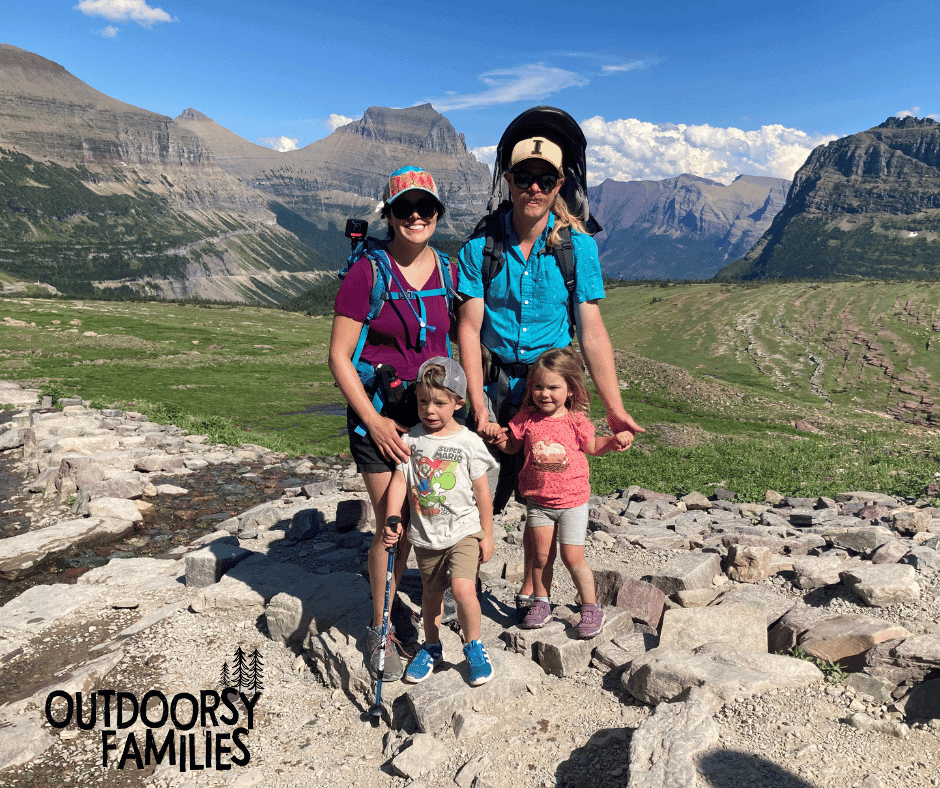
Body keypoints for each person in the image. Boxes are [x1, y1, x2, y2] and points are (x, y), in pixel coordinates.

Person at [457, 124, 644, 621]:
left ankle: (531, 589)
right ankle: (465, 585)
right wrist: (477, 402)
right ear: (509, 181)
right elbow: (469, 328)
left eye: (545, 178)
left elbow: (593, 330)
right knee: (482, 486)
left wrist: (614, 409)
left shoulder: (577, 248)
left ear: (560, 184)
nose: (534, 188)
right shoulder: (480, 249)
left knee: (544, 484)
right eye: (524, 177)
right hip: (496, 387)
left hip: (552, 388)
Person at [328, 166, 454, 682]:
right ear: (391, 215)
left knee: (426, 522)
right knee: (393, 527)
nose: (416, 216)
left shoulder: (449, 271)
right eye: (405, 209)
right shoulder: (368, 272)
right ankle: (380, 622)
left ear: (438, 213)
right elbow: (338, 356)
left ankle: (422, 609)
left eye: (426, 207)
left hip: (431, 420)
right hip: (378, 421)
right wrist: (375, 421)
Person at [485, 346, 632, 636]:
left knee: (572, 557)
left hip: (573, 502)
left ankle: (590, 606)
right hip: (538, 503)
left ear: (571, 390)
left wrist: (613, 442)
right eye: (538, 386)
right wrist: (497, 439)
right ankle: (541, 601)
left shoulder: (575, 420)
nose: (544, 393)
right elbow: (512, 447)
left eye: (553, 387)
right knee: (540, 558)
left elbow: (592, 447)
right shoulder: (526, 418)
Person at [383, 357, 498, 686]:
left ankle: (473, 644)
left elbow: (483, 493)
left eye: (439, 402)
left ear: (458, 402)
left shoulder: (468, 442)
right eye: (423, 401)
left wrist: (486, 535)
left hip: (463, 532)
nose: (429, 410)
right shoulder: (411, 440)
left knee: (462, 589)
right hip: (425, 535)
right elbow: (397, 483)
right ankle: (432, 647)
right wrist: (393, 517)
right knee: (430, 596)